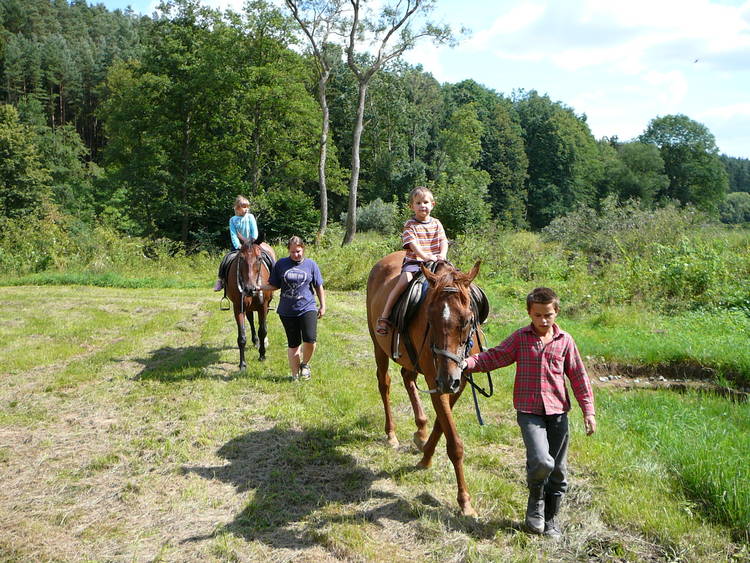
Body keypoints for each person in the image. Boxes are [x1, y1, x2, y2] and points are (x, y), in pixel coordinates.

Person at [462, 287, 596, 539]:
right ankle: (535, 502)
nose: (543, 321)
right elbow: (495, 357)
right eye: (538, 315)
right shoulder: (521, 338)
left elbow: (578, 376)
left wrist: (588, 411)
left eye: (548, 315)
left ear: (556, 312)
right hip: (529, 411)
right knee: (542, 461)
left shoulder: (565, 341)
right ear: (529, 313)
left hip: (558, 412)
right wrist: (467, 363)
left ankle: (551, 520)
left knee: (558, 470)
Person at [376, 186, 448, 335]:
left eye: (426, 202)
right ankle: (385, 315)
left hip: (436, 263)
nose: (422, 206)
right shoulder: (410, 225)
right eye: (418, 203)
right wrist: (425, 256)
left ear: (432, 204)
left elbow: (443, 241)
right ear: (412, 206)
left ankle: (469, 314)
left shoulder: (437, 223)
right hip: (415, 263)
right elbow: (413, 245)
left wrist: (442, 254)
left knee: (455, 282)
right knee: (404, 282)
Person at [263, 236, 326, 381]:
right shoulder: (281, 264)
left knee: (310, 340)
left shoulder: (311, 265)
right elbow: (274, 285)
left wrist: (323, 305)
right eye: (292, 252)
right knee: (293, 344)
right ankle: (294, 375)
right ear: (288, 251)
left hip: (307, 307)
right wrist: (259, 287)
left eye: (298, 251)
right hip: (287, 310)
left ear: (303, 249)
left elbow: (318, 286)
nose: (295, 255)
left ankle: (305, 364)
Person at [213, 195, 259, 291]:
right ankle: (221, 280)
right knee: (226, 259)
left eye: (247, 207)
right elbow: (233, 234)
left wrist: (251, 241)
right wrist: (238, 245)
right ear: (237, 208)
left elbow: (254, 232)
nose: (246, 209)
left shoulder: (250, 217)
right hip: (238, 246)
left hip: (251, 244)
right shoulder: (232, 220)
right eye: (244, 207)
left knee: (265, 256)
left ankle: (273, 276)